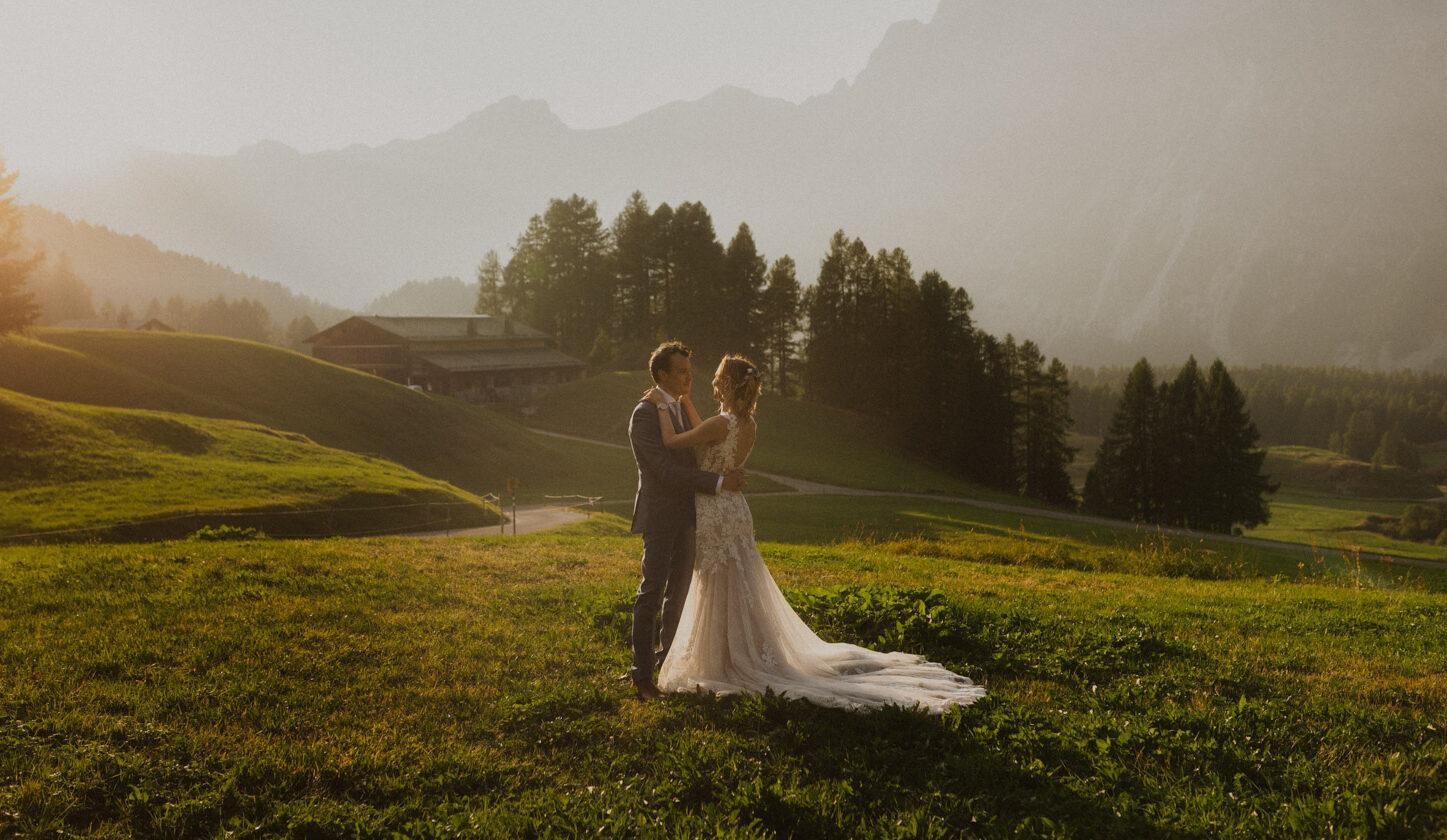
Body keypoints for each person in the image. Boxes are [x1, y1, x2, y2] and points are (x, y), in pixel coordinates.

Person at [644, 354, 986, 713]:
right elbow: (708, 435)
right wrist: (683, 400)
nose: (710, 381)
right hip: (735, 510)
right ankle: (737, 650)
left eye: (717, 377)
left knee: (718, 581)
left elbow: (673, 441)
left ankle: (725, 659)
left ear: (728, 384)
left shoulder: (719, 424)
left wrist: (661, 405)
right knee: (737, 581)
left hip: (716, 510)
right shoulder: (746, 424)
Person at [627, 341, 746, 701]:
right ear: (662, 374)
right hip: (661, 516)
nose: (689, 377)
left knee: (677, 596)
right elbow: (662, 470)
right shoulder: (646, 413)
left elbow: (697, 451)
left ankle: (668, 665)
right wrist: (718, 483)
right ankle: (641, 676)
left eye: (690, 371)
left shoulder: (676, 407)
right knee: (651, 593)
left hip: (689, 515)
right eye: (681, 371)